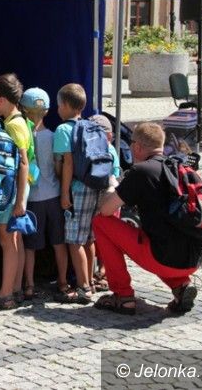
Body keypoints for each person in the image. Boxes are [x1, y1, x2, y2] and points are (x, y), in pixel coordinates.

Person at [93, 122, 202, 315]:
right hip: (194, 256)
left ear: (137, 146)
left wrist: (112, 187)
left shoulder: (142, 172)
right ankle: (181, 286)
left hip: (161, 258)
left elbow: (106, 210)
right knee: (160, 237)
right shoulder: (180, 166)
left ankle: (123, 296)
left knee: (100, 222)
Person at [0, 74, 29, 310]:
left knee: (7, 239)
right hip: (18, 189)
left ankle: (6, 293)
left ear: (1, 99)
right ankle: (16, 288)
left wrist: (19, 200)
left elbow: (23, 163)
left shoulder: (12, 125)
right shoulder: (21, 120)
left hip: (12, 189)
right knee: (14, 239)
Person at [19, 88, 69, 301]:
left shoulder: (22, 137)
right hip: (54, 195)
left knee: (30, 246)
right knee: (59, 242)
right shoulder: (54, 136)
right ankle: (63, 281)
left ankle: (29, 285)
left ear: (23, 110)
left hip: (32, 199)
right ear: (47, 111)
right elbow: (59, 167)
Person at [52, 83, 95, 304]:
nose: (58, 109)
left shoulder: (63, 130)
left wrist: (64, 192)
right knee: (88, 237)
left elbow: (67, 163)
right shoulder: (91, 125)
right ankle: (91, 280)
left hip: (76, 189)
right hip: (93, 186)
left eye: (59, 105)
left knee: (74, 240)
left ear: (67, 105)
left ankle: (83, 287)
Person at [88, 114, 122, 293]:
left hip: (107, 198)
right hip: (110, 198)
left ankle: (103, 272)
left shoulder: (105, 149)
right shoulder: (110, 148)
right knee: (104, 238)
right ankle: (103, 272)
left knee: (103, 238)